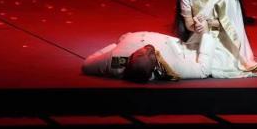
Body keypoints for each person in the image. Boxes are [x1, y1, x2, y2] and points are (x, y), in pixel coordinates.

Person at [81, 31, 217, 81]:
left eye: (141, 53)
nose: (148, 49)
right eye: (150, 56)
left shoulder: (118, 61)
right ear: (154, 66)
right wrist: (207, 35)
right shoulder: (173, 65)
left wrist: (115, 45)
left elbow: (87, 64)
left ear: (131, 57)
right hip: (186, 40)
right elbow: (203, 70)